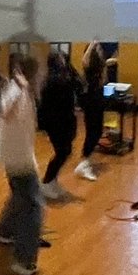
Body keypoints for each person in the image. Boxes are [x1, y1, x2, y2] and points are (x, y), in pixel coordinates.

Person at [0, 54, 46, 275]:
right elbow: (5, 112)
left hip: (18, 156)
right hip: (17, 158)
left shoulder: (24, 89)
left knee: (20, 196)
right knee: (33, 205)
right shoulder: (16, 90)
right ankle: (24, 260)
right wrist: (22, 88)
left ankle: (2, 232)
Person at [74, 41, 117, 182]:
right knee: (93, 131)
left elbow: (105, 82)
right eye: (97, 49)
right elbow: (84, 60)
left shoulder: (100, 67)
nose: (100, 50)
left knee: (97, 131)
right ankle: (83, 163)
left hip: (98, 100)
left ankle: (86, 160)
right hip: (91, 101)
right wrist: (93, 43)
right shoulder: (89, 66)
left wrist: (108, 62)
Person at [38, 51, 78, 202]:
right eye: (61, 59)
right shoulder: (53, 80)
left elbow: (76, 83)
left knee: (65, 152)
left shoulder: (62, 77)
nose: (64, 61)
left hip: (63, 120)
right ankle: (47, 182)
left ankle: (52, 180)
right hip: (56, 121)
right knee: (63, 152)